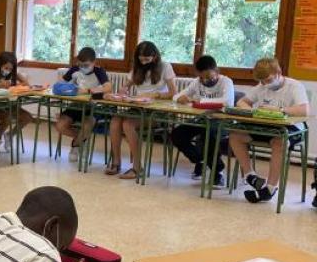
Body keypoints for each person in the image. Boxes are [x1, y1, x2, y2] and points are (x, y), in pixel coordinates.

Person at [229, 58, 310, 203]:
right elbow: (241, 101)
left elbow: (304, 110)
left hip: (292, 128)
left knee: (279, 142)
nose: (266, 84)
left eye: (268, 79)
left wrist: (280, 110)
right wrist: (251, 111)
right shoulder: (262, 86)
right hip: (267, 126)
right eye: (262, 81)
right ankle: (250, 176)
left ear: (278, 72)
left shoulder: (294, 86)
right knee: (236, 135)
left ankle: (270, 188)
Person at [108, 41, 176, 179]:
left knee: (128, 124)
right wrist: (123, 91)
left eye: (147, 59)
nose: (144, 62)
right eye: (141, 59)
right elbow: (125, 86)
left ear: (155, 56)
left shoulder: (165, 67)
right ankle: (116, 162)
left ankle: (137, 168)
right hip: (138, 108)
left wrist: (155, 95)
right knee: (115, 121)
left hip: (156, 111)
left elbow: (173, 93)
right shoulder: (138, 68)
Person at [171, 55, 235, 187]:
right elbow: (177, 95)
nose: (205, 80)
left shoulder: (226, 82)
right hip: (202, 119)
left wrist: (202, 101)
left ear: (216, 71)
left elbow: (227, 102)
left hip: (222, 121)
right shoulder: (197, 82)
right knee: (177, 134)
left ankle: (218, 172)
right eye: (202, 77)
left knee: (209, 134)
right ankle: (200, 159)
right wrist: (179, 98)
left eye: (209, 77)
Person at [57, 47, 112, 163]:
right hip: (75, 105)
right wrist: (67, 87)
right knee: (60, 125)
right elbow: (60, 83)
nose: (82, 68)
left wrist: (88, 90)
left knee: (89, 122)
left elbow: (108, 87)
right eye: (80, 65)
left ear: (94, 62)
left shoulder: (99, 71)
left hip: (92, 106)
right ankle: (83, 138)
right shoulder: (75, 69)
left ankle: (76, 146)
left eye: (86, 65)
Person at [0, 51, 34, 157]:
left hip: (9, 104)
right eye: (6, 68)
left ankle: (10, 135)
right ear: (0, 64)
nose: (8, 71)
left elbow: (26, 83)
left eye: (10, 69)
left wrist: (15, 84)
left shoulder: (12, 71)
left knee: (28, 118)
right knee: (7, 117)